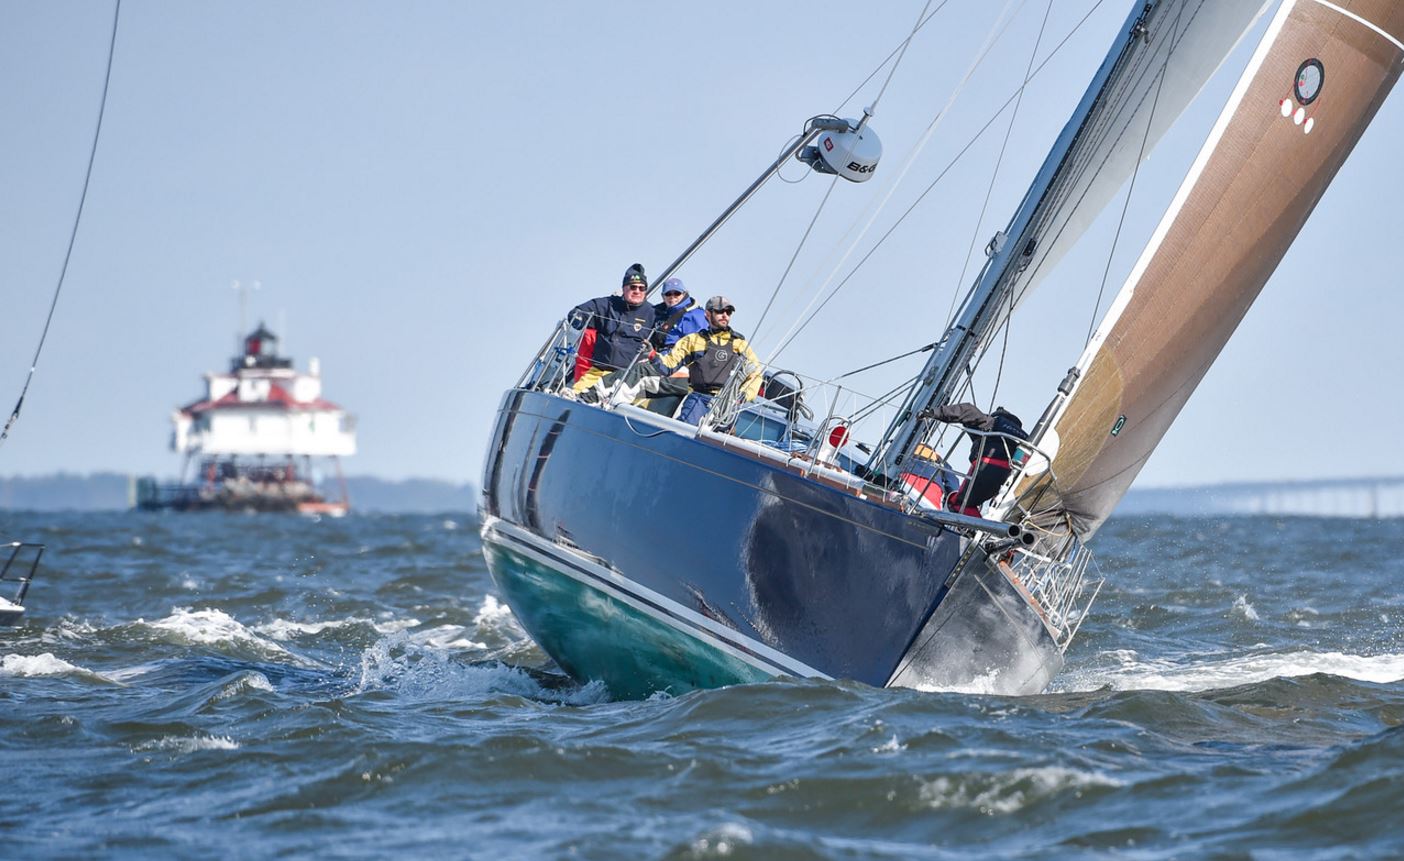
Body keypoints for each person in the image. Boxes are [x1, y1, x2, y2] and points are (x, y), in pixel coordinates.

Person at [658, 295, 762, 425]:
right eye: (719, 311)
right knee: (684, 428)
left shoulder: (739, 344)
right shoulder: (694, 340)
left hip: (726, 402)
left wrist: (743, 395)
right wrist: (652, 356)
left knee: (722, 437)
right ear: (707, 314)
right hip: (698, 397)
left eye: (728, 312)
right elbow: (670, 363)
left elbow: (755, 373)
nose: (724, 315)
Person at [568, 263, 658, 393]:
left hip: (627, 380)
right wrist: (578, 319)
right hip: (597, 372)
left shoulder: (653, 313)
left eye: (641, 288)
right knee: (575, 396)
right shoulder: (607, 304)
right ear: (624, 288)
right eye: (633, 287)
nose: (637, 291)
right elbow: (577, 312)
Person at [928, 403, 1027, 516]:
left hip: (986, 468)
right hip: (1008, 478)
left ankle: (973, 528)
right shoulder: (1024, 438)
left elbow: (968, 410)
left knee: (959, 503)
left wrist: (934, 413)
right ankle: (979, 529)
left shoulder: (993, 423)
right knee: (978, 504)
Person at [649, 278, 707, 350]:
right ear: (663, 296)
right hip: (658, 356)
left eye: (677, 293)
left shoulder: (696, 315)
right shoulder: (657, 313)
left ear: (684, 294)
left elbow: (700, 346)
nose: (672, 297)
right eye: (668, 294)